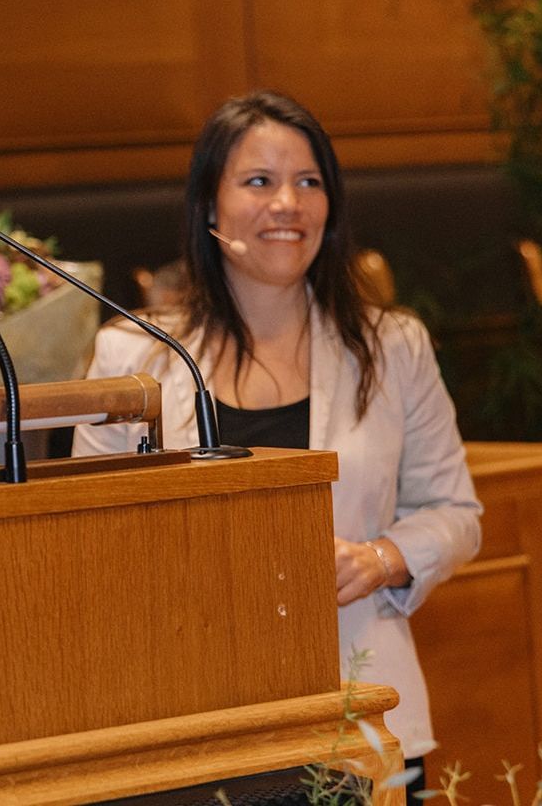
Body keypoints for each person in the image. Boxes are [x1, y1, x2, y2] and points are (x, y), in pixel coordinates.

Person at [72, 91, 481, 799]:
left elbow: (456, 512)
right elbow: (87, 534)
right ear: (210, 206)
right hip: (185, 721)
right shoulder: (134, 355)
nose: (287, 203)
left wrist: (381, 559)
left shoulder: (393, 346)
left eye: (308, 182)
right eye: (259, 181)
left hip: (358, 714)